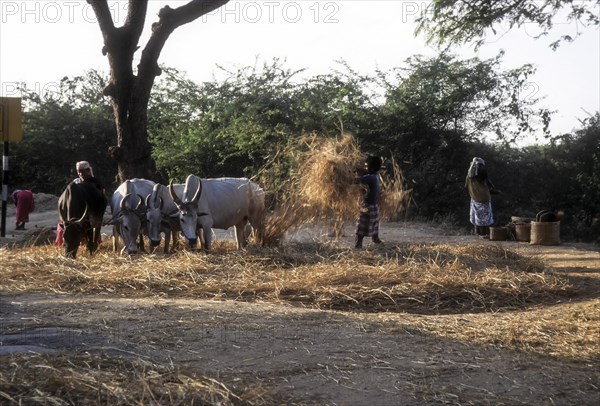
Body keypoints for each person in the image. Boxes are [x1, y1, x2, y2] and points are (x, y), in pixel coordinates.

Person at [55, 161, 105, 246]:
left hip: (91, 210)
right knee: (62, 226)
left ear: (88, 170)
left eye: (82, 171)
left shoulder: (96, 183)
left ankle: (93, 242)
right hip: (74, 212)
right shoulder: (75, 183)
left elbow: (102, 197)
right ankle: (63, 243)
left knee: (93, 224)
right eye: (79, 171)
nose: (80, 173)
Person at [354, 156, 384, 249]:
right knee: (374, 223)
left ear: (371, 168)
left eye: (366, 166)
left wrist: (346, 177)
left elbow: (356, 181)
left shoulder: (370, 177)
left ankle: (358, 244)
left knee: (362, 225)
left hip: (367, 205)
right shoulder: (376, 176)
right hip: (374, 205)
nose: (365, 168)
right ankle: (376, 239)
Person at [465, 157, 496, 238]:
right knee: (485, 217)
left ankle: (478, 234)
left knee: (476, 216)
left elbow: (466, 186)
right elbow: (490, 186)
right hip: (484, 198)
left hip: (475, 198)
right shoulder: (482, 172)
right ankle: (485, 235)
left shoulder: (469, 176)